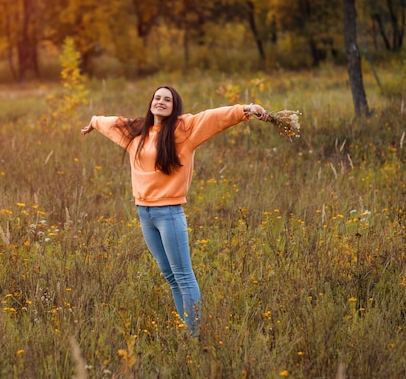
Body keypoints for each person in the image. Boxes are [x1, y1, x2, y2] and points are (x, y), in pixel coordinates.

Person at [81, 86, 270, 336]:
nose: (161, 102)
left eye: (167, 99)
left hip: (169, 213)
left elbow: (213, 117)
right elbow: (112, 122)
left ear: (174, 106)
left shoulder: (184, 129)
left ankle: (194, 336)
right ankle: (187, 329)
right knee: (170, 276)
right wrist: (94, 122)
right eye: (157, 98)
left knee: (183, 276)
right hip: (144, 214)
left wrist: (246, 109)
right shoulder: (136, 131)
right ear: (151, 102)